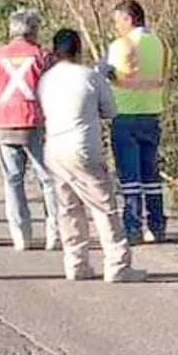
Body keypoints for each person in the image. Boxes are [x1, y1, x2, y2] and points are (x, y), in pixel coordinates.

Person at [38, 28, 145, 281]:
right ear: (79, 49)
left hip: (53, 148)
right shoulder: (90, 77)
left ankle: (76, 263)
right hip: (83, 148)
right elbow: (110, 111)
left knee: (68, 207)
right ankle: (117, 265)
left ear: (54, 51)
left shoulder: (45, 79)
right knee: (103, 206)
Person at [0, 8, 59, 251]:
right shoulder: (43, 56)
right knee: (47, 179)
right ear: (33, 30)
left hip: (3, 121)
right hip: (35, 122)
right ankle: (54, 233)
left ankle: (21, 235)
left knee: (13, 181)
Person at [103, 0, 170, 244]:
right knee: (151, 174)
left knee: (129, 177)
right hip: (152, 114)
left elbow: (112, 75)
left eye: (117, 21)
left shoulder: (122, 45)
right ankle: (157, 225)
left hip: (126, 115)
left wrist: (102, 70)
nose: (116, 26)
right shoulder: (161, 44)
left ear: (129, 19)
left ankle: (132, 227)